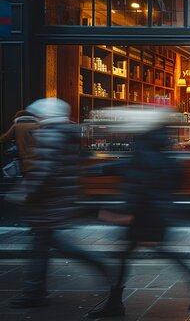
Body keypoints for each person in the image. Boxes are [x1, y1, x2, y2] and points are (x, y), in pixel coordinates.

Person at [86, 107, 190, 318]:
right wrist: (100, 170)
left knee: (130, 254)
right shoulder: (158, 145)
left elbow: (137, 180)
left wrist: (124, 213)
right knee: (145, 252)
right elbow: (168, 176)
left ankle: (115, 303)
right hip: (156, 211)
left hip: (144, 213)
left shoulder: (143, 148)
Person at [10, 98, 115, 309]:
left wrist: (25, 192)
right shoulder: (67, 132)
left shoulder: (52, 134)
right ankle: (34, 291)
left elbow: (45, 170)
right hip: (58, 199)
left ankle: (104, 268)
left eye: (38, 116)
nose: (37, 119)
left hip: (49, 202)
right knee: (41, 246)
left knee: (56, 246)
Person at [0, 110, 38, 175]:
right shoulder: (38, 125)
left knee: (26, 174)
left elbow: (5, 138)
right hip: (37, 156)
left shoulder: (16, 126)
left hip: (24, 156)